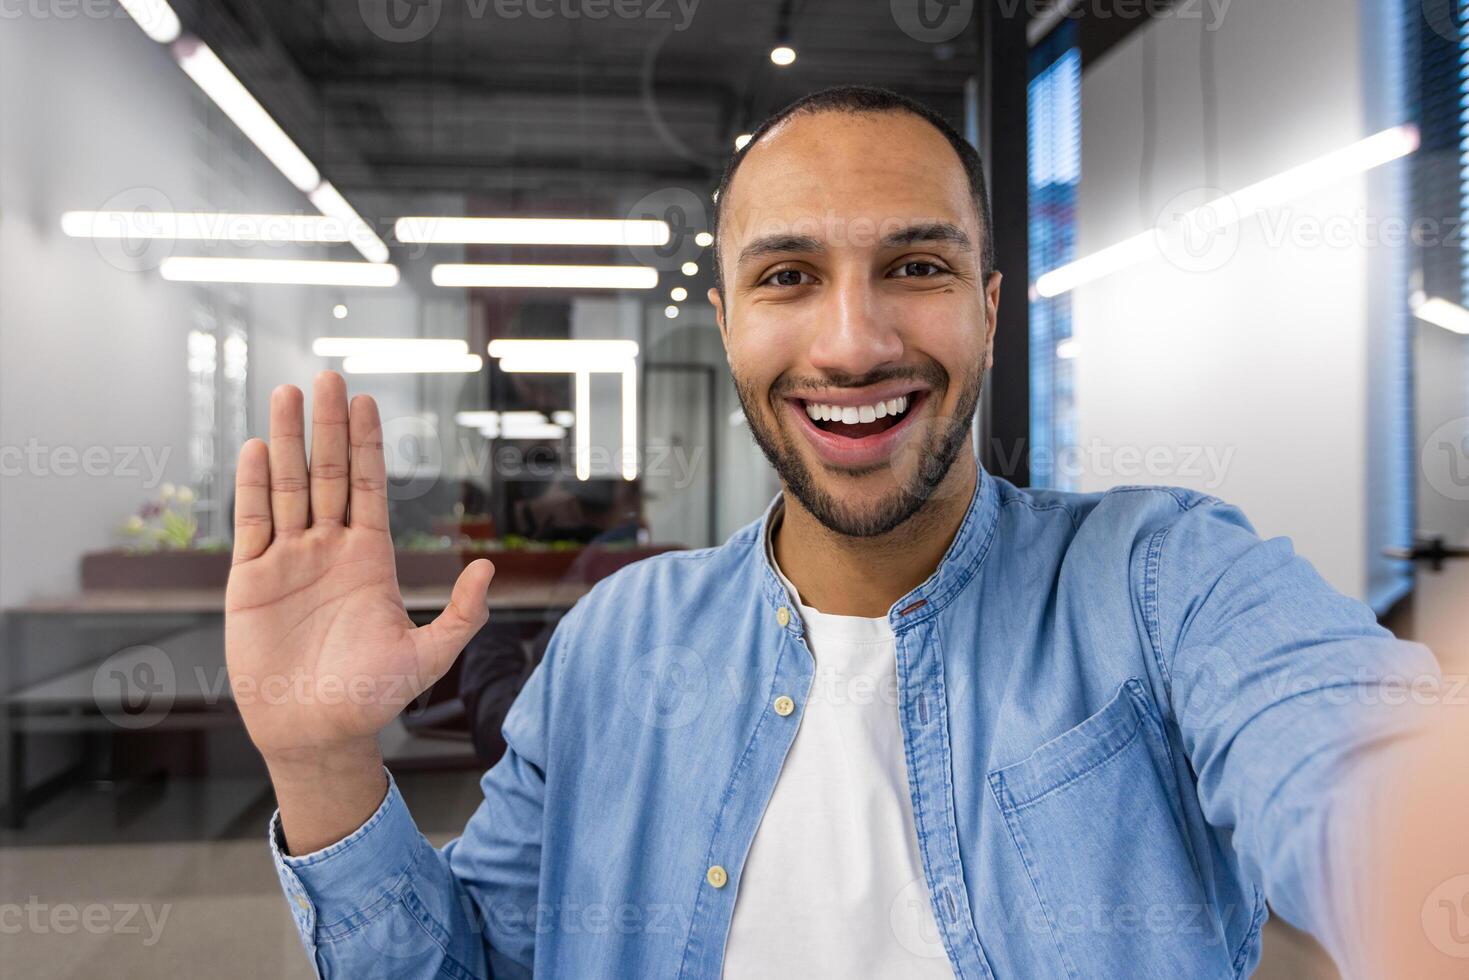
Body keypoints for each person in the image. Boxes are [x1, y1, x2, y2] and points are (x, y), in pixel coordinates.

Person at [225, 87, 1463, 979]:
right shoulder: (613, 647)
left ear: (986, 311)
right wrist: (326, 764)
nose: (852, 342)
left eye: (914, 266)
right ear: (724, 323)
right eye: (786, 277)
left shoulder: (1162, 579)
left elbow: (1350, 758)